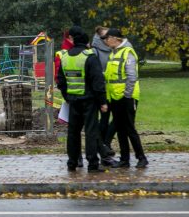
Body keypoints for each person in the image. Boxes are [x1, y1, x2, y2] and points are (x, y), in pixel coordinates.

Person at [56, 26, 109, 172]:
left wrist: (67, 96)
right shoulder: (89, 57)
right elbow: (98, 82)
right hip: (89, 101)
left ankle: (72, 162)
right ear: (86, 42)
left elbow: (60, 80)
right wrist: (102, 101)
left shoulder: (65, 57)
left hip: (73, 101)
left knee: (73, 133)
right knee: (91, 132)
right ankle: (92, 163)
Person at [104, 28, 148, 168]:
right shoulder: (113, 53)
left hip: (127, 97)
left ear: (116, 38)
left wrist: (126, 96)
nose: (106, 40)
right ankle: (124, 160)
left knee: (129, 128)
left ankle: (141, 158)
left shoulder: (127, 52)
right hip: (115, 97)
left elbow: (131, 77)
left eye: (108, 38)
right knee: (120, 129)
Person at [91, 25, 117, 162]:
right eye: (106, 36)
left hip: (115, 91)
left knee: (117, 119)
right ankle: (102, 146)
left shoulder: (115, 49)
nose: (109, 39)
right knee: (105, 119)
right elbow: (95, 72)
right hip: (102, 91)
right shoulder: (95, 51)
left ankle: (105, 143)